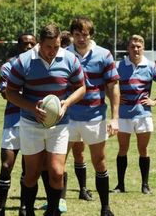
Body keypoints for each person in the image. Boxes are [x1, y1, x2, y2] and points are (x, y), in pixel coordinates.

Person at [6, 24, 86, 216]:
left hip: (59, 125)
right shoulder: (24, 62)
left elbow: (81, 88)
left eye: (56, 46)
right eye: (48, 46)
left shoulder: (70, 59)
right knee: (31, 174)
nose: (52, 51)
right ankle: (28, 211)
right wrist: (32, 108)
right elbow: (10, 93)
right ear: (40, 43)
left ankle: (52, 211)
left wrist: (66, 104)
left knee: (57, 172)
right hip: (31, 124)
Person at [66, 16, 120, 216]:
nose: (81, 38)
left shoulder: (104, 55)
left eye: (85, 34)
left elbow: (113, 87)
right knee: (58, 162)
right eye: (77, 34)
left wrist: (114, 118)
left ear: (91, 35)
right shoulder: (63, 55)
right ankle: (57, 205)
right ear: (71, 35)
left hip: (95, 117)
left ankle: (105, 207)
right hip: (67, 117)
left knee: (99, 161)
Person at [112, 34, 156, 195]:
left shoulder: (151, 66)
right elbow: (109, 85)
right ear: (128, 48)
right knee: (122, 148)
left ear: (143, 48)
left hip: (143, 115)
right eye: (133, 46)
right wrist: (116, 98)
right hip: (124, 115)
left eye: (138, 46)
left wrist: (155, 102)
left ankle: (145, 185)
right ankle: (120, 185)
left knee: (143, 149)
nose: (135, 49)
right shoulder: (119, 66)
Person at [0, 33, 36, 216]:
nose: (28, 46)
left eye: (32, 43)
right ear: (18, 46)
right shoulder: (7, 67)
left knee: (28, 170)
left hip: (33, 123)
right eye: (25, 43)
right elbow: (7, 94)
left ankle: (24, 208)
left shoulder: (40, 66)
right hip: (12, 122)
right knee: (6, 167)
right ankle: (0, 208)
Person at [60, 29, 94, 203]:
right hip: (67, 113)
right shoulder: (64, 57)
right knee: (62, 155)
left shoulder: (90, 56)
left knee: (80, 154)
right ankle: (61, 197)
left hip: (85, 113)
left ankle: (82, 189)